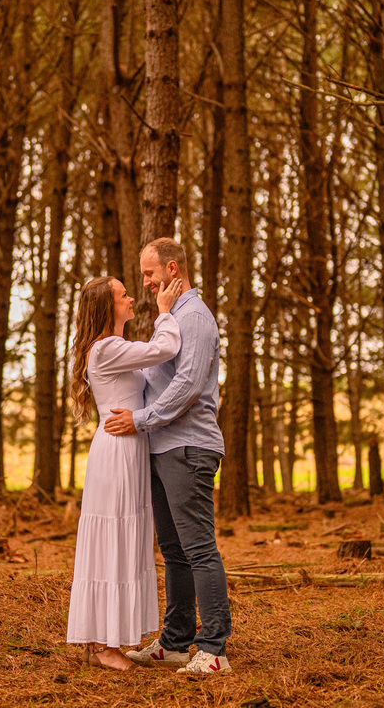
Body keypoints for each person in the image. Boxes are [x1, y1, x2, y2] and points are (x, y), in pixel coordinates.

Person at [105, 238, 233, 675]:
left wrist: (140, 419)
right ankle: (176, 641)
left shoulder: (194, 317)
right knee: (174, 550)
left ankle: (213, 649)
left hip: (188, 446)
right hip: (163, 447)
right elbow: (157, 374)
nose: (145, 283)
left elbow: (189, 385)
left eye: (148, 274)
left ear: (172, 269)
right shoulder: (171, 320)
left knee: (198, 548)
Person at [65, 275, 184, 670]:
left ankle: (112, 639)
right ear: (107, 307)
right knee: (112, 542)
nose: (132, 298)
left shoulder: (112, 348)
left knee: (126, 540)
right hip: (115, 453)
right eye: (123, 295)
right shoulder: (106, 348)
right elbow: (165, 347)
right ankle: (102, 646)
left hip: (130, 447)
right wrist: (165, 312)